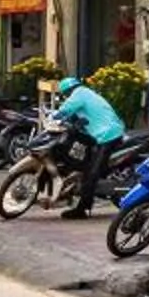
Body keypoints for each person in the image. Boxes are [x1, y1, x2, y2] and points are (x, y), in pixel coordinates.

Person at [49, 75, 128, 219]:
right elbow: (77, 115)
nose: (66, 96)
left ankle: (83, 209)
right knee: (87, 164)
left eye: (66, 94)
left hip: (108, 135)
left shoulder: (79, 94)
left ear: (68, 91)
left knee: (92, 172)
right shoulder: (87, 93)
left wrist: (54, 115)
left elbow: (66, 109)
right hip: (106, 132)